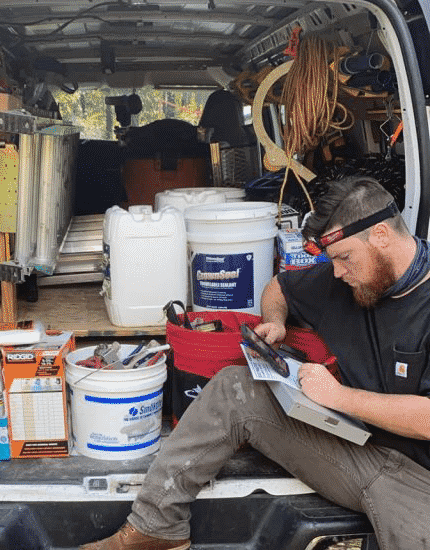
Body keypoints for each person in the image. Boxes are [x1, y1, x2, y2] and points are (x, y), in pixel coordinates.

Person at [81, 177, 430, 550]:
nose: (338, 273)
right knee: (236, 388)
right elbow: (279, 287)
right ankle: (157, 528)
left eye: (344, 258)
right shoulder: (345, 280)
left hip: (417, 480)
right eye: (333, 262)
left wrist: (338, 396)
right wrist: (276, 321)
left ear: (380, 235)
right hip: (357, 450)